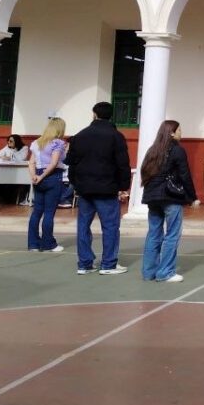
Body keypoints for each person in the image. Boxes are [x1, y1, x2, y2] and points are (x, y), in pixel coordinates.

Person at [65, 101, 132, 276]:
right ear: (111, 116)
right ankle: (108, 264)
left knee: (83, 226)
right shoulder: (116, 136)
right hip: (107, 188)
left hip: (85, 189)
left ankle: (84, 264)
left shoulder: (80, 136)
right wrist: (124, 187)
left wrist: (75, 183)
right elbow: (123, 164)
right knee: (110, 227)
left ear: (94, 114)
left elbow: (72, 163)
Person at [140, 120, 197, 283]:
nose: (181, 132)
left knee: (153, 233)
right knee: (172, 235)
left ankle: (149, 272)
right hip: (170, 196)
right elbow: (185, 175)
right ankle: (165, 272)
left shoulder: (152, 150)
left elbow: (145, 172)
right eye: (179, 130)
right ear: (172, 133)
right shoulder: (177, 150)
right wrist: (192, 197)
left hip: (152, 197)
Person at [26, 118, 67, 252]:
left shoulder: (37, 142)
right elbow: (54, 163)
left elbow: (31, 162)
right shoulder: (58, 143)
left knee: (37, 211)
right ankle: (48, 243)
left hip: (37, 175)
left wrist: (34, 176)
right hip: (52, 176)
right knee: (49, 212)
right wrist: (43, 176)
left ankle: (33, 244)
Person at [0, 134, 29, 205]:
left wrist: (10, 157)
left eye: (11, 141)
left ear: (16, 141)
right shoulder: (7, 147)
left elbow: (21, 158)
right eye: (8, 141)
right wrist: (2, 157)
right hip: (7, 172)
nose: (8, 142)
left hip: (19, 172)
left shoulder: (24, 148)